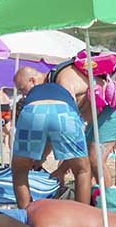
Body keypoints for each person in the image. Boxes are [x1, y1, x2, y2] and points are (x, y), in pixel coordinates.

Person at [10, 66, 91, 208]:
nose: (23, 95)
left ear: (32, 80)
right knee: (82, 170)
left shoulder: (33, 96)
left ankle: (26, 214)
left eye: (23, 89)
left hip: (32, 112)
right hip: (64, 110)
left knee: (19, 171)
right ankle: (82, 216)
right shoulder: (63, 84)